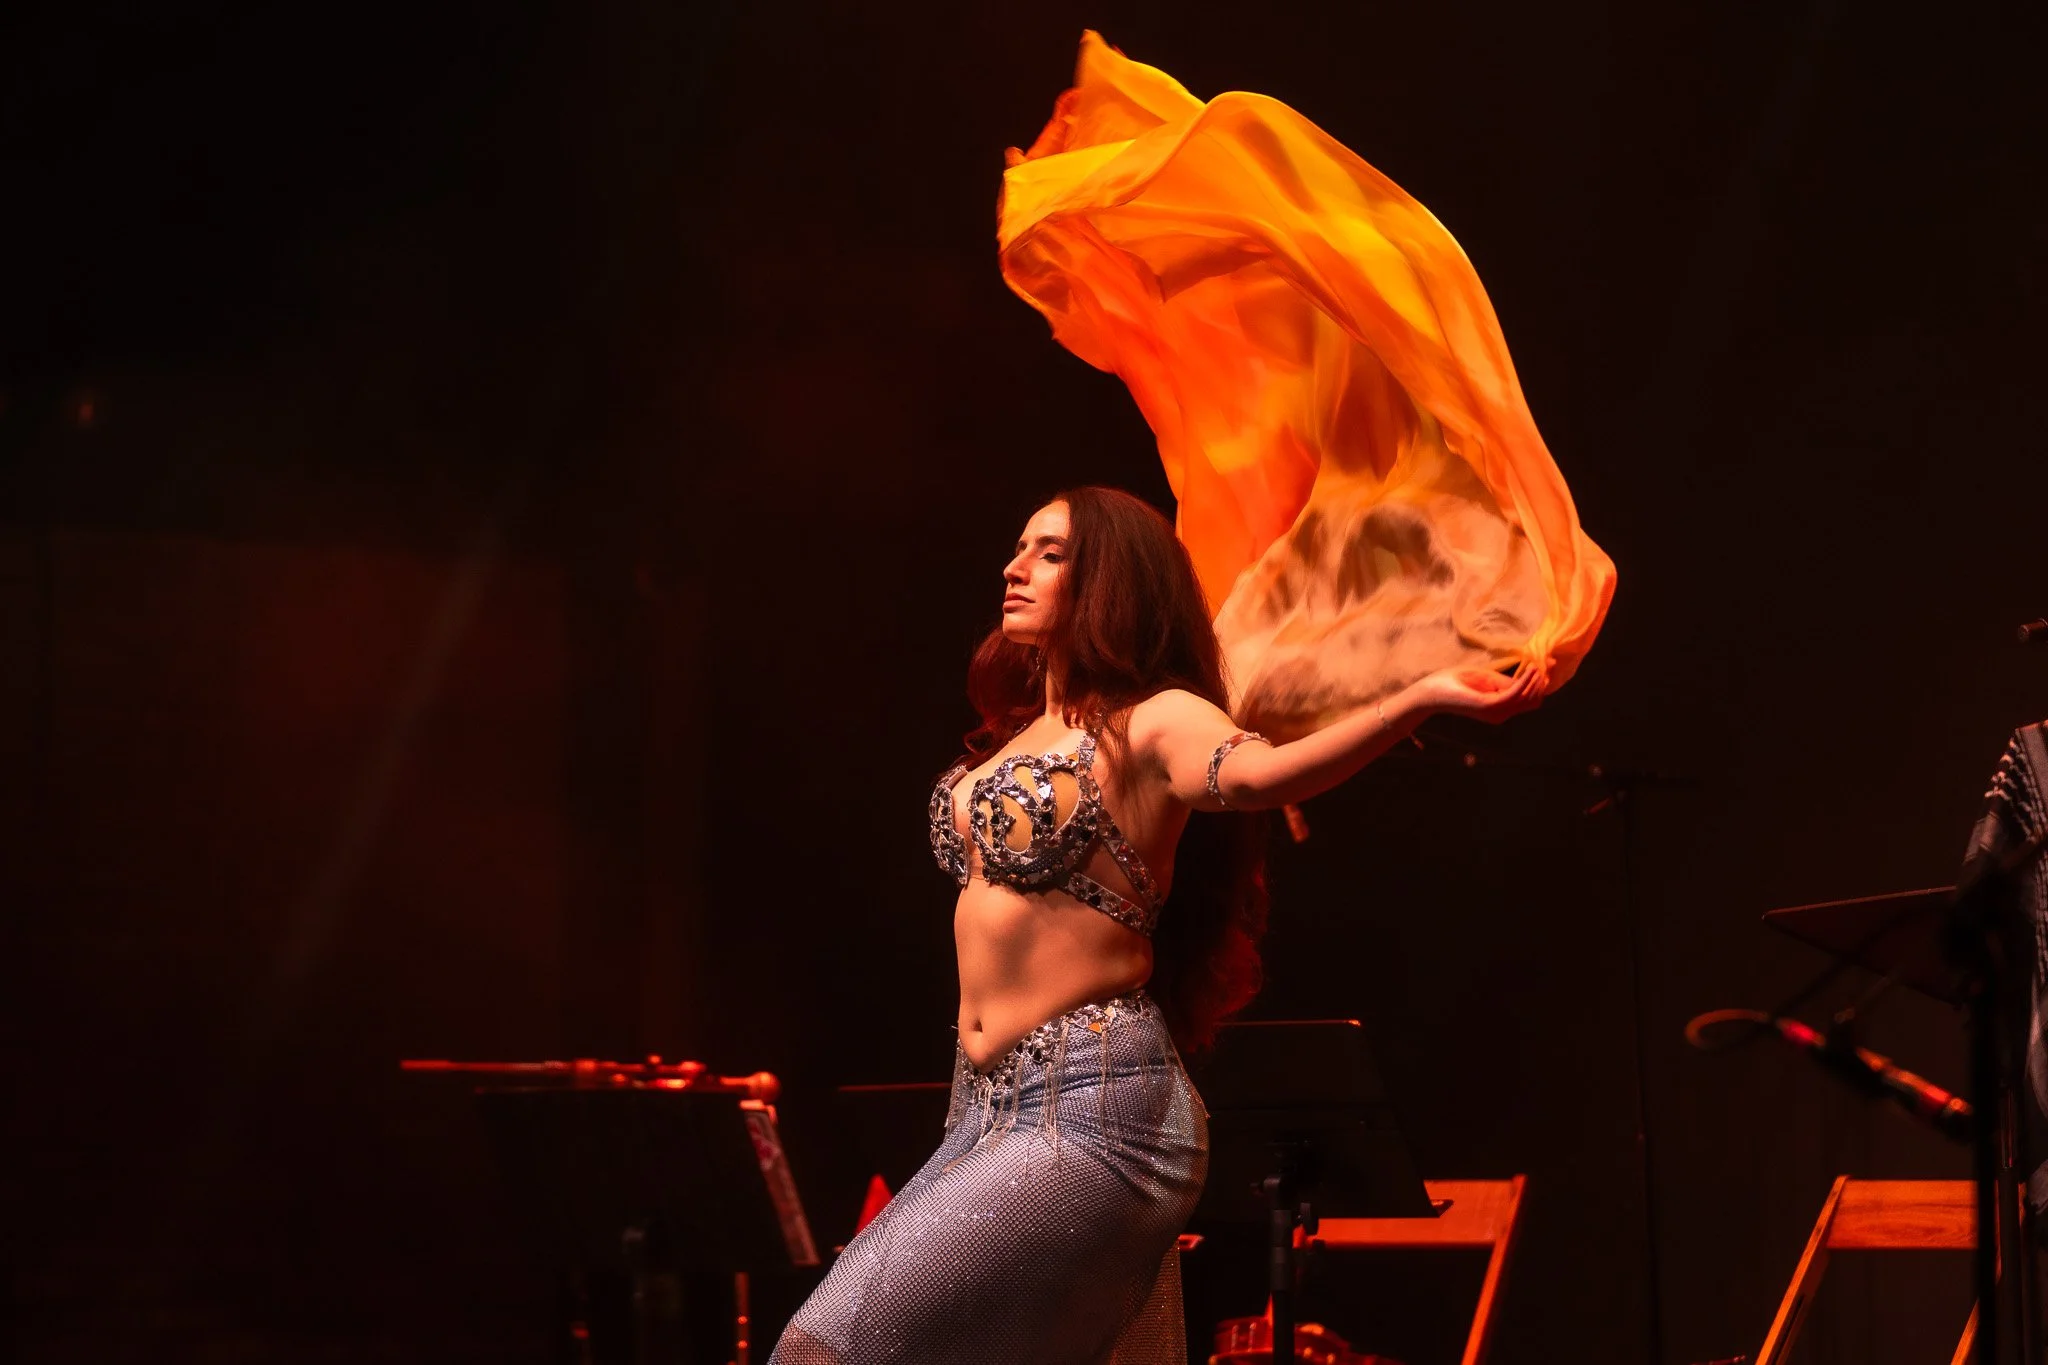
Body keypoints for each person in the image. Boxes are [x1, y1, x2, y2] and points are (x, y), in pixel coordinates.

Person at [767, 485, 1538, 1365]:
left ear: (1112, 582)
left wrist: (1420, 698)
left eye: (1051, 553)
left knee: (821, 1350)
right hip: (979, 1110)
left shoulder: (1156, 718)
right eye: (1020, 547)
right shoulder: (1014, 738)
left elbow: (1261, 776)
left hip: (1093, 1107)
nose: (1015, 568)